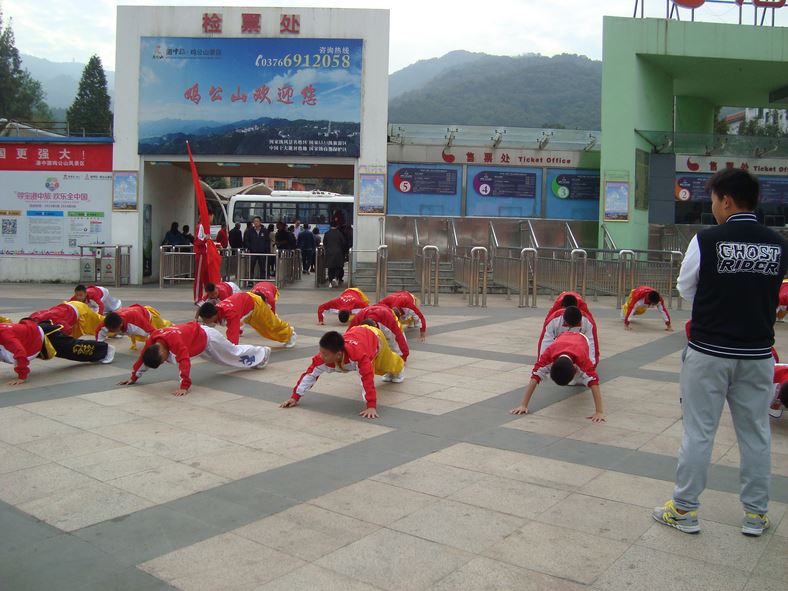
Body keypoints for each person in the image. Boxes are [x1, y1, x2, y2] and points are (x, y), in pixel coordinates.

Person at [654, 168, 786, 537]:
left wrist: (717, 306)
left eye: (713, 200)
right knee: (756, 433)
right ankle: (756, 515)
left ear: (726, 200)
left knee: (699, 433)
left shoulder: (707, 240)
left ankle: (684, 510)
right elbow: (774, 292)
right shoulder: (778, 244)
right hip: (759, 354)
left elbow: (685, 287)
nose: (712, 207)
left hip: (709, 352)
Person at [280, 326, 405, 419]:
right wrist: (295, 397)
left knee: (385, 364)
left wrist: (371, 406)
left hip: (373, 336)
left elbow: (367, 380)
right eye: (321, 351)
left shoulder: (359, 356)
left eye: (325, 354)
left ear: (338, 354)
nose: (321, 356)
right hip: (355, 331)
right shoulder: (321, 358)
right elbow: (309, 376)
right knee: (378, 368)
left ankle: (400, 368)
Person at [119, 322, 271, 396]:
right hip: (196, 342)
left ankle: (262, 353)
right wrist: (133, 377)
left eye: (162, 360)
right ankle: (257, 357)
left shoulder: (175, 342)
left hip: (208, 337)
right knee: (227, 359)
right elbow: (142, 359)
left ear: (162, 352)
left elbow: (184, 362)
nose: (164, 361)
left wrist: (184, 387)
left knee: (232, 354)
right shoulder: (152, 340)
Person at [510, 332, 604, 423]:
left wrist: (599, 412)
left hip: (582, 339)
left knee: (588, 375)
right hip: (562, 336)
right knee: (541, 370)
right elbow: (534, 377)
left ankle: (579, 374)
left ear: (574, 368)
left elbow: (594, 382)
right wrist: (523, 405)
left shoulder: (582, 358)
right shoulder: (547, 355)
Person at [1, 318, 114, 384]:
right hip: (32, 336)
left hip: (46, 337)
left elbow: (20, 353)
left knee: (74, 349)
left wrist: (21, 376)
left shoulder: (5, 335)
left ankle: (105, 349)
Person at [198, 290, 296, 348]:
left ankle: (290, 334)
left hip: (256, 304)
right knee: (263, 330)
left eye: (205, 320)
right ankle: (286, 335)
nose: (204, 322)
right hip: (246, 307)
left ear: (212, 316)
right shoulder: (216, 310)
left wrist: (231, 350)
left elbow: (232, 334)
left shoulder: (230, 313)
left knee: (271, 325)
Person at [95, 304, 172, 350]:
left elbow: (152, 332)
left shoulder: (137, 322)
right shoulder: (107, 322)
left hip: (147, 318)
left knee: (162, 330)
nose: (110, 331)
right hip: (131, 315)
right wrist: (100, 348)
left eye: (113, 330)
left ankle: (170, 325)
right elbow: (99, 333)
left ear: (120, 325)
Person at [29, 300, 104, 339]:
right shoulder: (35, 316)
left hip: (81, 310)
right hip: (70, 306)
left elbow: (67, 330)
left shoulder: (53, 319)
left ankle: (114, 323)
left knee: (99, 322)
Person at [323, 221, 347, 287]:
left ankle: (330, 282)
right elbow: (343, 243)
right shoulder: (339, 234)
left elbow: (324, 243)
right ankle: (336, 277)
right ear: (337, 226)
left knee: (330, 268)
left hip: (329, 253)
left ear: (330, 226)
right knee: (338, 267)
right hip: (338, 253)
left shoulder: (327, 233)